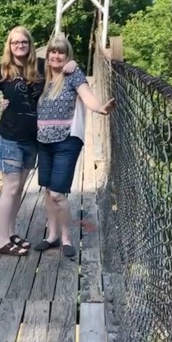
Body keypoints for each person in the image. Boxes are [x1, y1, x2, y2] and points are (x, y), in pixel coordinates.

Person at [0, 27, 76, 256]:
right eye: (15, 42)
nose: (20, 45)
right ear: (9, 45)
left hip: (34, 139)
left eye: (24, 42)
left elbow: (63, 67)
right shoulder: (2, 70)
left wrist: (72, 65)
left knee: (19, 189)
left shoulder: (42, 66)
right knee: (11, 188)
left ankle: (11, 232)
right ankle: (2, 240)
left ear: (29, 43)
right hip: (10, 138)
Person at [35, 36, 116, 258]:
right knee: (48, 191)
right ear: (48, 55)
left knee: (58, 193)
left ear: (67, 55)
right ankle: (51, 236)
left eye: (61, 52)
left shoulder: (73, 75)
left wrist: (100, 108)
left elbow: (87, 96)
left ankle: (66, 238)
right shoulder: (43, 77)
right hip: (44, 141)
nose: (56, 56)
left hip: (66, 141)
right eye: (53, 52)